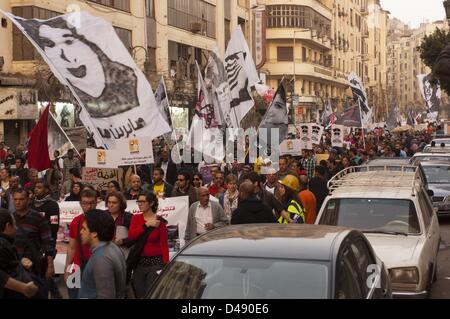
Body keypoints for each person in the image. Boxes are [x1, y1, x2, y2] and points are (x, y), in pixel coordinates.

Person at [78, 209, 127, 299]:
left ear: (94, 234)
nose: (81, 232)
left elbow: (106, 296)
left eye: (84, 228)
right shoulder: (112, 247)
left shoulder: (102, 259)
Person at [12, 188, 56, 286]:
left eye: (21, 199)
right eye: (15, 199)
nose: (17, 202)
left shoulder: (38, 218)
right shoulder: (10, 218)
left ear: (28, 200)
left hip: (34, 267)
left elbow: (48, 243)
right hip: (14, 267)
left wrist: (50, 266)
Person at [128, 192, 168, 298]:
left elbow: (164, 245)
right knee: (140, 293)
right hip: (139, 263)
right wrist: (147, 225)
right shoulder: (135, 218)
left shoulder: (160, 221)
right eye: (138, 201)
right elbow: (132, 236)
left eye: (143, 201)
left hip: (156, 263)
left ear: (151, 203)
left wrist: (166, 265)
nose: (140, 204)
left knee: (152, 294)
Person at [29, 180, 61, 299]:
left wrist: (47, 244)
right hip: (33, 245)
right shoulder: (31, 204)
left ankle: (49, 294)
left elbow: (54, 226)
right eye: (35, 187)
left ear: (46, 190)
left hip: (47, 244)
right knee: (41, 272)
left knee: (44, 271)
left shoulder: (52, 205)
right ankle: (55, 293)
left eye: (39, 187)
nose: (36, 189)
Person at [64, 189, 98, 299]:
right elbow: (71, 247)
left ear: (96, 202)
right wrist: (67, 268)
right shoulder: (76, 221)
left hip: (97, 268)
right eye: (85, 203)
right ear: (80, 204)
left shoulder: (102, 220)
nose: (88, 206)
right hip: (77, 268)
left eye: (91, 203)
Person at [0, 209, 41, 299]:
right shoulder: (2, 244)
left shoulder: (6, 243)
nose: (16, 228)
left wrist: (18, 262)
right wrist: (24, 288)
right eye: (14, 225)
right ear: (8, 226)